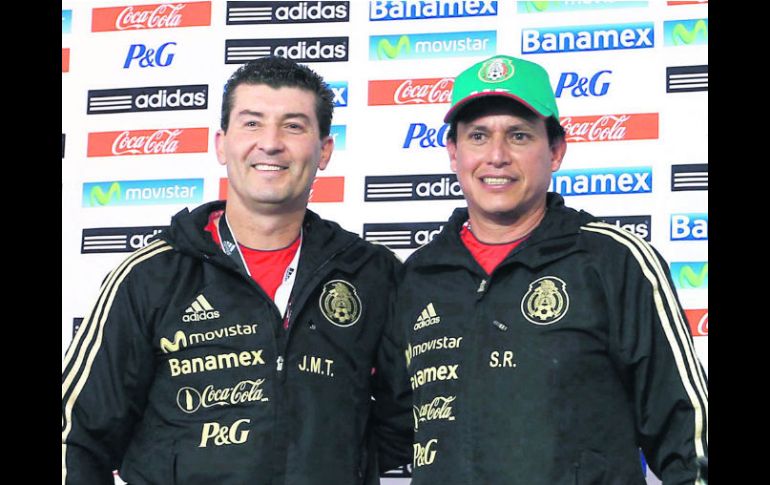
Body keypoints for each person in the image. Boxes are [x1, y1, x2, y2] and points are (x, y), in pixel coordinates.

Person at [62, 56, 412, 485]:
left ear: (324, 151)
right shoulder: (151, 274)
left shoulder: (372, 273)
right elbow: (76, 435)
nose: (270, 143)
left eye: (294, 125)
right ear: (220, 144)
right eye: (251, 123)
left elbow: (409, 417)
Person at [396, 55, 708, 484]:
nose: (497, 156)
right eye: (478, 136)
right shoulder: (417, 276)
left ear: (556, 151)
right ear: (454, 153)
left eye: (519, 136)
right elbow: (388, 426)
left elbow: (687, 433)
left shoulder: (614, 261)